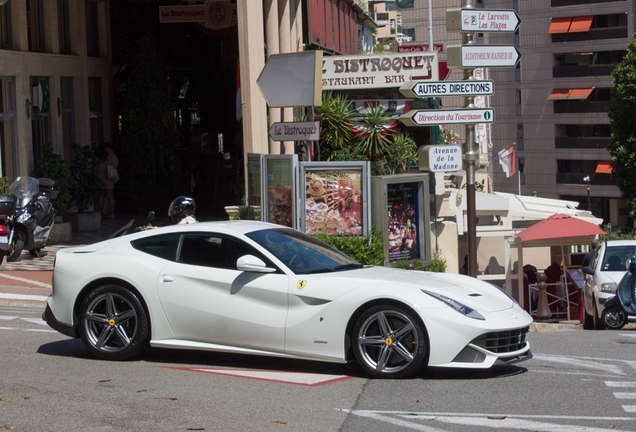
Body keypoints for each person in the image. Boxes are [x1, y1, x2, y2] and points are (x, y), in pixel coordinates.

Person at [96, 145, 115, 219]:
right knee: (110, 197)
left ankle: (100, 213)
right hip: (109, 180)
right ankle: (112, 213)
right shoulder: (108, 160)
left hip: (100, 181)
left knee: (100, 198)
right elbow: (114, 167)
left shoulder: (98, 161)